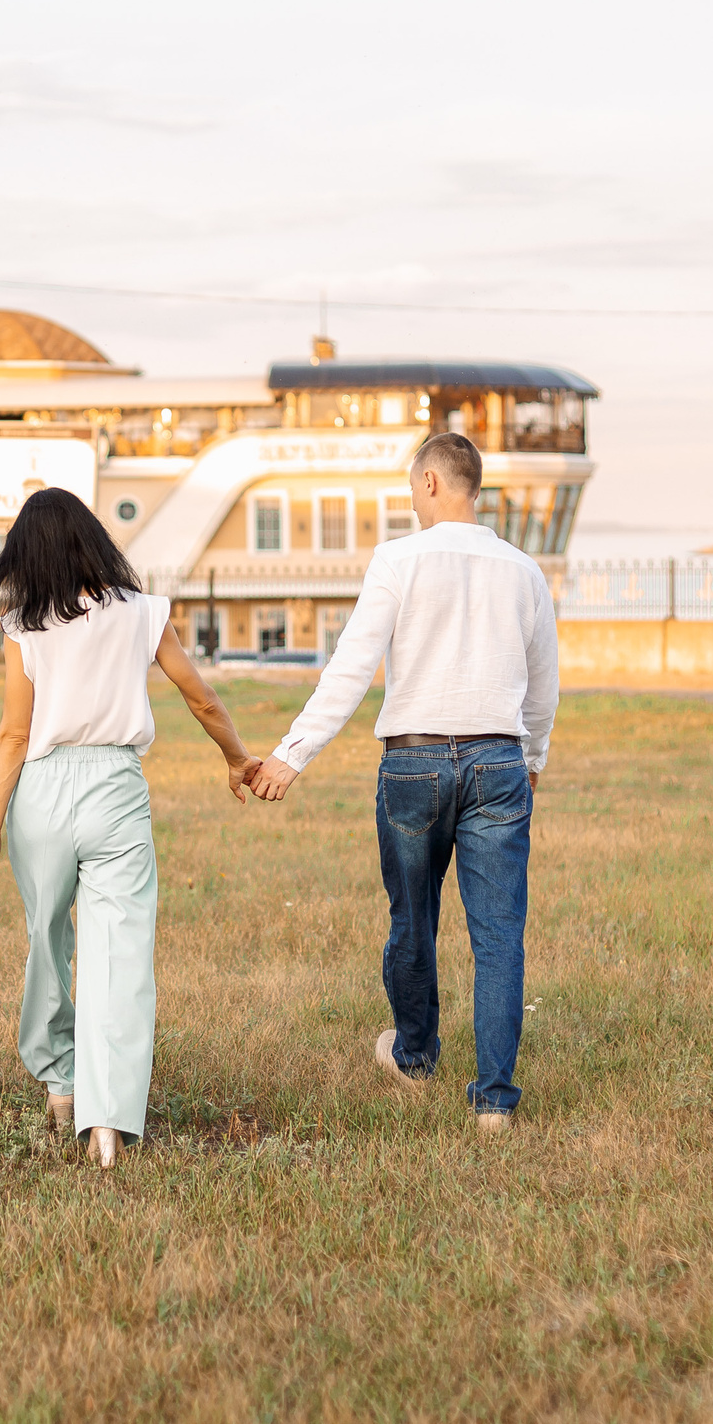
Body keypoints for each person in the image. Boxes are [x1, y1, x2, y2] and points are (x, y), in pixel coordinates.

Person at [247, 432, 558, 1134]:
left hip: (413, 760)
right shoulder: (523, 570)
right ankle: (495, 1103)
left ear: (429, 482)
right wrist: (531, 758)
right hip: (498, 760)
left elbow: (353, 666)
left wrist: (292, 755)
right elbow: (542, 685)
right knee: (500, 935)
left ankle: (415, 1054)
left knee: (413, 918)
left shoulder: (397, 559)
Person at [0, 488, 260, 1168]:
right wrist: (237, 758)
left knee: (48, 938)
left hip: (40, 790)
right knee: (119, 953)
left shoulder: (24, 624)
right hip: (116, 789)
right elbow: (200, 694)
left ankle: (60, 1079)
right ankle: (108, 1122)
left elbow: (13, 732)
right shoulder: (143, 612)